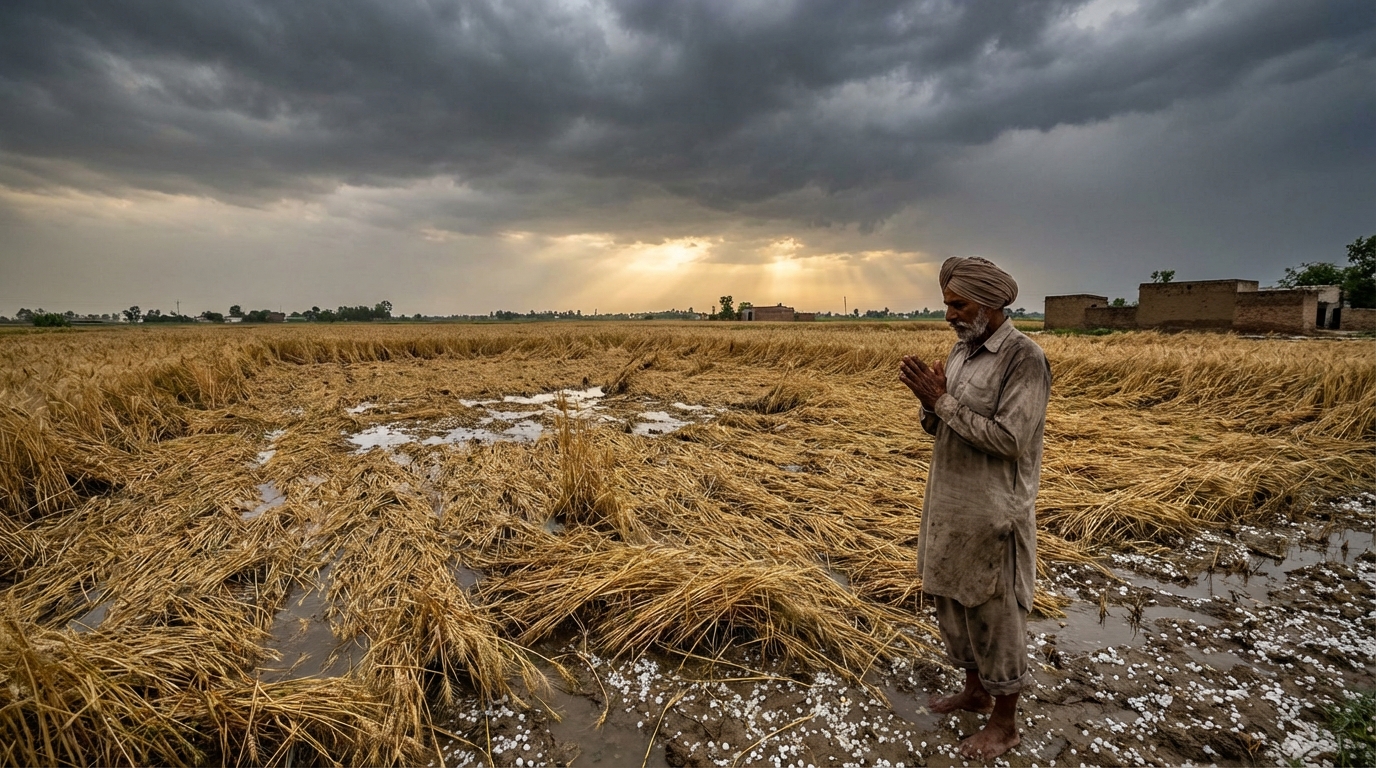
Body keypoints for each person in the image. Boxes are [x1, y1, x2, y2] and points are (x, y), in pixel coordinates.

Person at [898, 256, 1051, 761]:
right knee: (954, 603)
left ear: (991, 303)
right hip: (950, 503)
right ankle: (975, 691)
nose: (948, 314)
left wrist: (940, 400)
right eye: (947, 304)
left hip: (993, 514)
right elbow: (943, 425)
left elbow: (1010, 439)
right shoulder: (962, 352)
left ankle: (1004, 724)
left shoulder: (1023, 360)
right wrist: (929, 403)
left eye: (957, 304)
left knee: (995, 613)